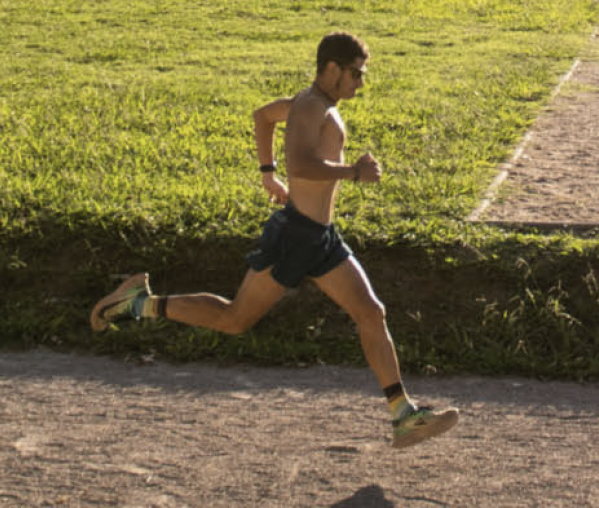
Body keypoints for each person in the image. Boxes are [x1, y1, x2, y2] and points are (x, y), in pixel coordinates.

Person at [91, 31, 459, 450]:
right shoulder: (310, 106)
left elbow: (263, 116)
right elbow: (301, 164)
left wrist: (268, 174)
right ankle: (136, 303)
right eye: (356, 73)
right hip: (296, 237)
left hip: (321, 238)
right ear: (333, 69)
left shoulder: (312, 103)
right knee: (234, 319)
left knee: (371, 313)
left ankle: (403, 415)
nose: (361, 83)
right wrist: (353, 173)